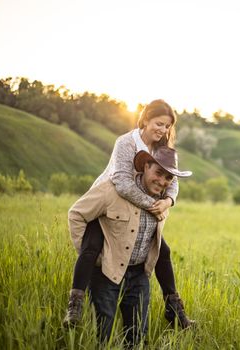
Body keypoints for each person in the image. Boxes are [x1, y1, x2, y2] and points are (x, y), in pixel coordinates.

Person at [63, 99, 194, 329]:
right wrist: (151, 204)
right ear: (145, 119)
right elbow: (122, 182)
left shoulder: (162, 147)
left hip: (136, 211)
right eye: (159, 123)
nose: (162, 130)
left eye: (167, 126)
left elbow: (172, 180)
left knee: (162, 250)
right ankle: (75, 303)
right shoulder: (126, 142)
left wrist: (167, 201)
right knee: (92, 247)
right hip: (108, 206)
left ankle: (174, 308)